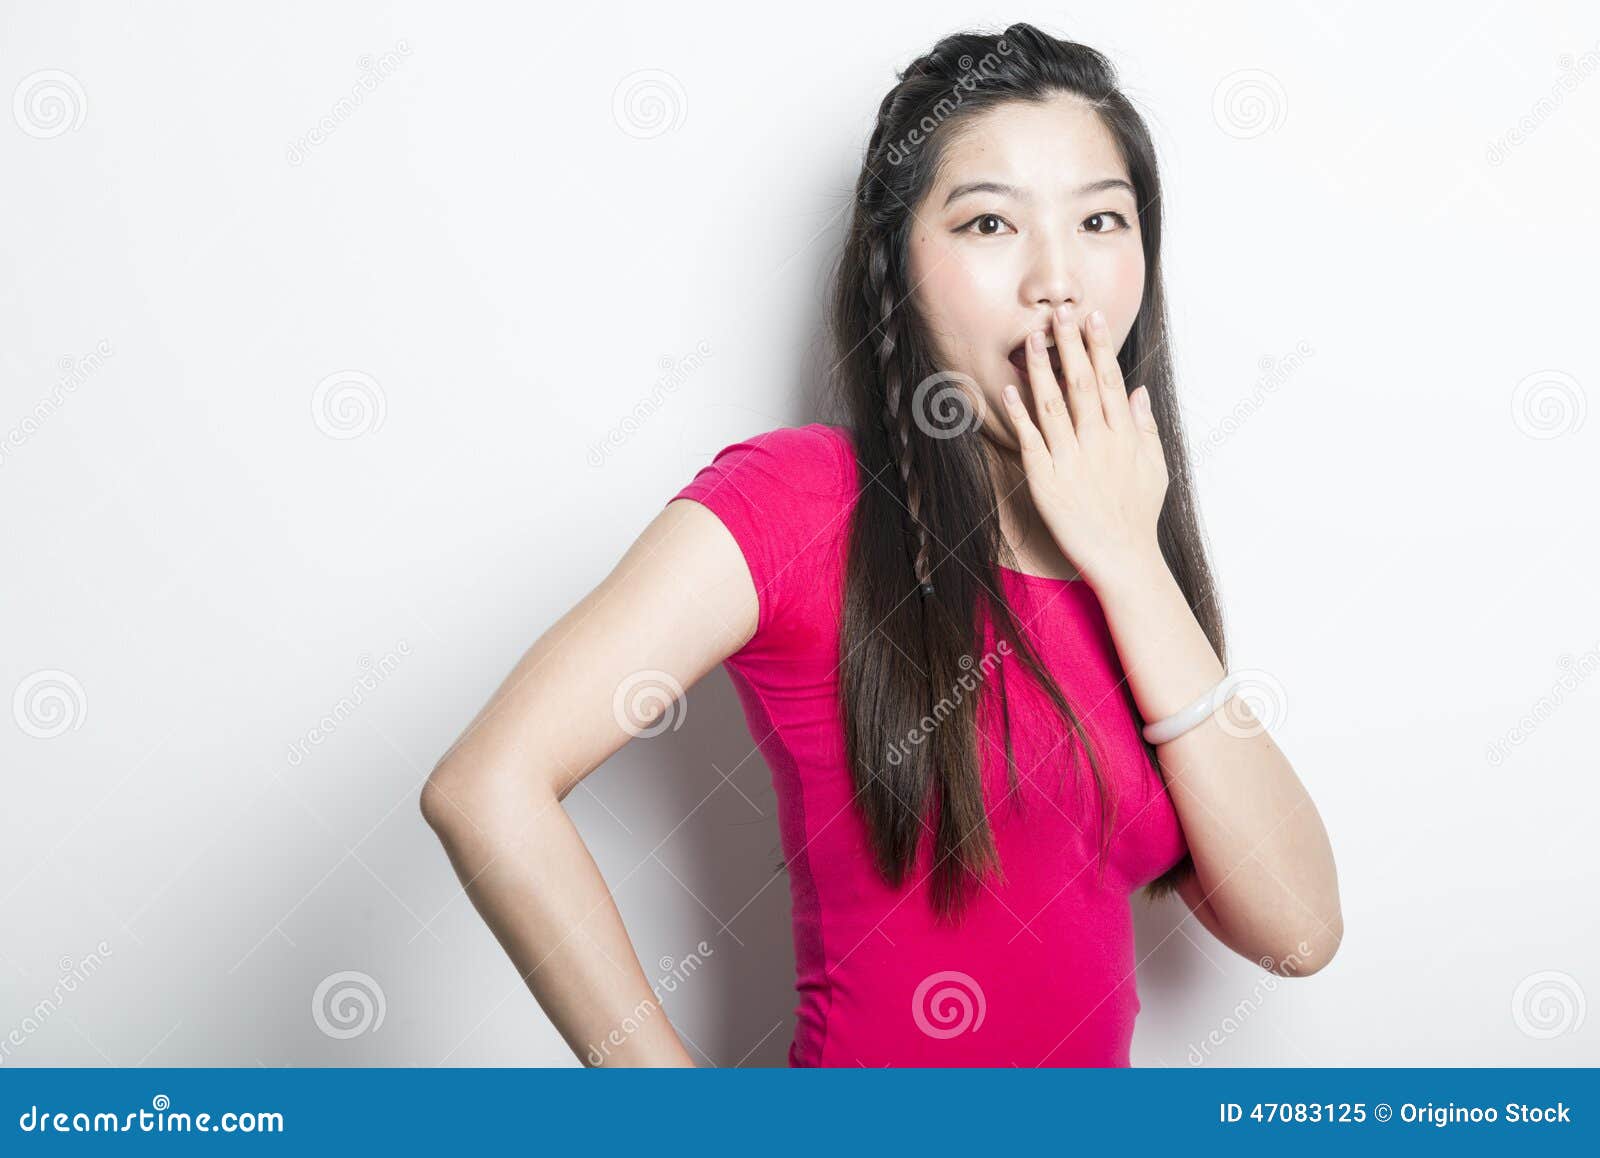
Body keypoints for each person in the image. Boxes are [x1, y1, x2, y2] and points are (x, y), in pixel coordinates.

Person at [421, 22, 1342, 1067]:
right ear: (896, 265)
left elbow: (1299, 930)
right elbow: (487, 784)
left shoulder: (1130, 556)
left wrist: (1128, 557)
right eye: (990, 224)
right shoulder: (805, 499)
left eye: (1099, 219)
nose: (1058, 281)